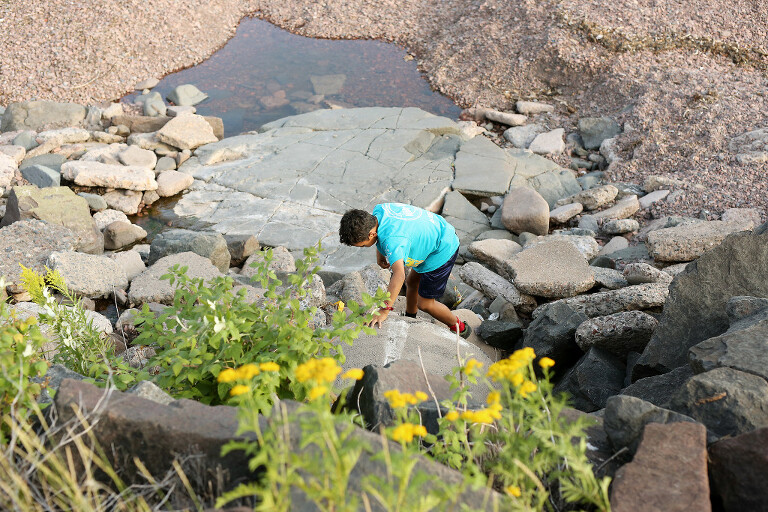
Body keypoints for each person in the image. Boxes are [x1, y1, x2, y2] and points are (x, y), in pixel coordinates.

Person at [338, 202, 471, 338]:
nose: (364, 247)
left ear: (371, 234)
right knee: (412, 282)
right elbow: (383, 235)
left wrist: (384, 311)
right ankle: (410, 317)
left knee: (425, 304)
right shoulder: (379, 210)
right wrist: (381, 254)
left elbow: (399, 275)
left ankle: (460, 327)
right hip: (436, 230)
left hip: (443, 248)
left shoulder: (392, 240)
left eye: (363, 245)